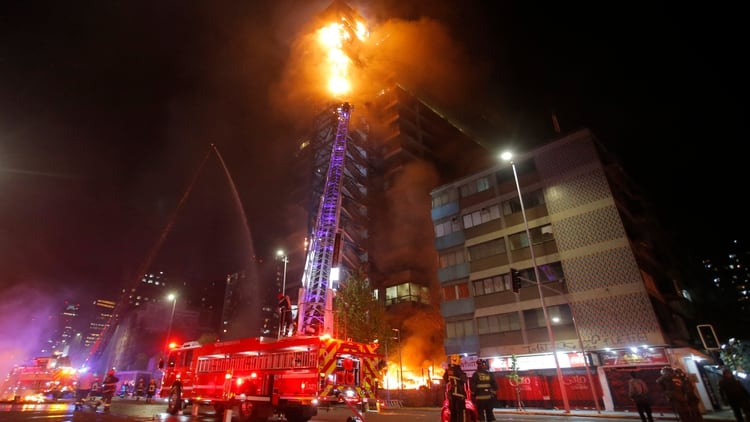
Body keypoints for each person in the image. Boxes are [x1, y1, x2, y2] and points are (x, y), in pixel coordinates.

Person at [443, 354, 468, 422]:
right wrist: (465, 375)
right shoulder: (458, 370)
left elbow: (445, 379)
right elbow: (464, 380)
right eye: (459, 360)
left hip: (451, 394)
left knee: (453, 411)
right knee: (460, 412)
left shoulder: (448, 370)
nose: (460, 361)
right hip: (459, 394)